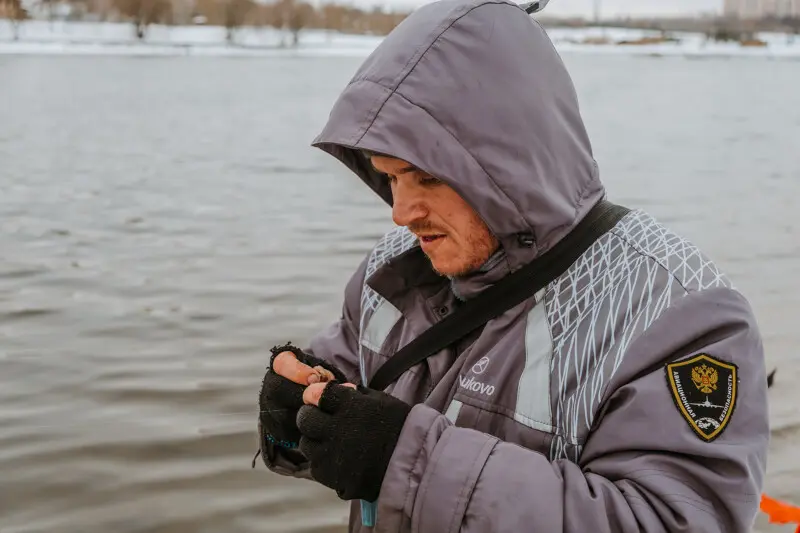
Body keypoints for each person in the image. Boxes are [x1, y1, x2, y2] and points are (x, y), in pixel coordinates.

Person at [254, 0, 770, 531]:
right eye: (390, 178)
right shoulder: (393, 273)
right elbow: (342, 379)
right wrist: (300, 409)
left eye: (425, 177)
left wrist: (405, 462)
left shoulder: (677, 312)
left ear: (505, 167)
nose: (401, 212)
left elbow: (672, 520)